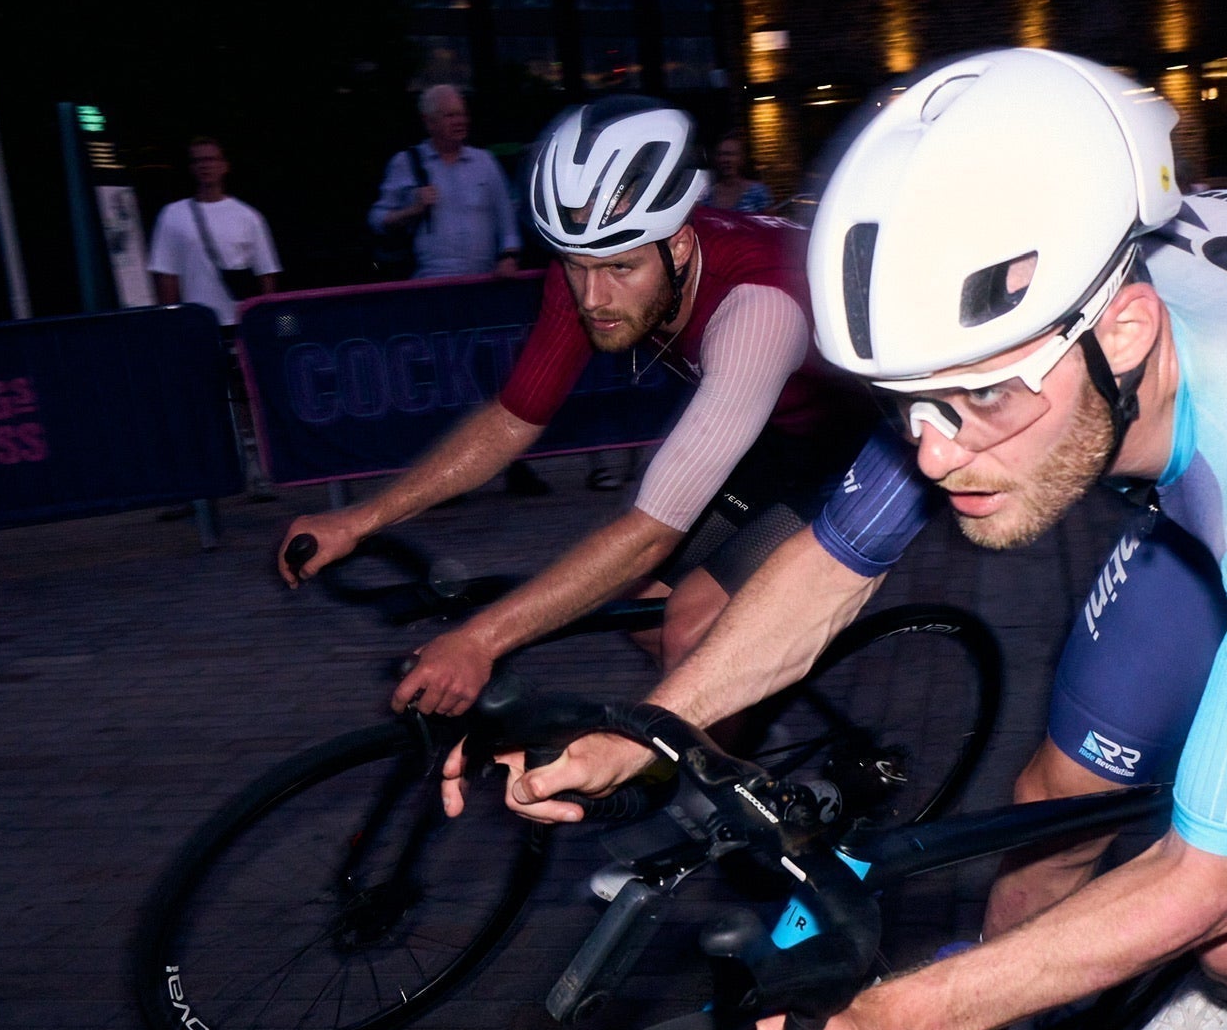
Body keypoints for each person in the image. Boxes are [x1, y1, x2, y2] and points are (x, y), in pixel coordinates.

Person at [471, 49, 1227, 1030]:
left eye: (980, 398)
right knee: (1052, 803)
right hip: (1222, 435)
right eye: (907, 403)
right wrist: (654, 732)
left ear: (1124, 332)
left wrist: (905, 1018)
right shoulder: (1006, 346)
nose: (937, 455)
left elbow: (1203, 878)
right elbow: (831, 565)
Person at [279, 96, 872, 722]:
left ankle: (760, 810)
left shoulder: (757, 309)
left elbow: (648, 533)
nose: (594, 297)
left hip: (858, 449)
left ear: (679, 243)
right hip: (778, 432)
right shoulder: (592, 267)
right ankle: (737, 721)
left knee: (694, 631)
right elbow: (511, 421)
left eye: (620, 267)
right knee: (644, 612)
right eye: (576, 265)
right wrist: (360, 521)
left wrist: (480, 641)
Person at [368, 84, 523, 282]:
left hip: (485, 282)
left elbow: (507, 217)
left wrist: (509, 257)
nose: (460, 121)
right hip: (430, 286)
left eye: (462, 114)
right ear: (429, 122)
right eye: (450, 116)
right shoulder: (406, 163)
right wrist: (412, 210)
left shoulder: (485, 162)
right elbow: (376, 219)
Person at [149, 136, 282, 326]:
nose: (205, 166)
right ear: (191, 168)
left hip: (241, 321)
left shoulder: (248, 216)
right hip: (195, 322)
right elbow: (167, 276)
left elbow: (266, 273)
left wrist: (266, 320)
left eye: (210, 159)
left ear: (224, 165)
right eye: (198, 161)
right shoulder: (172, 215)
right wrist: (171, 323)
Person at [705, 131, 772, 213]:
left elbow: (771, 223)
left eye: (731, 154)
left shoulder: (758, 192)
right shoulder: (707, 195)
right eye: (721, 154)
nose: (726, 160)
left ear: (742, 158)